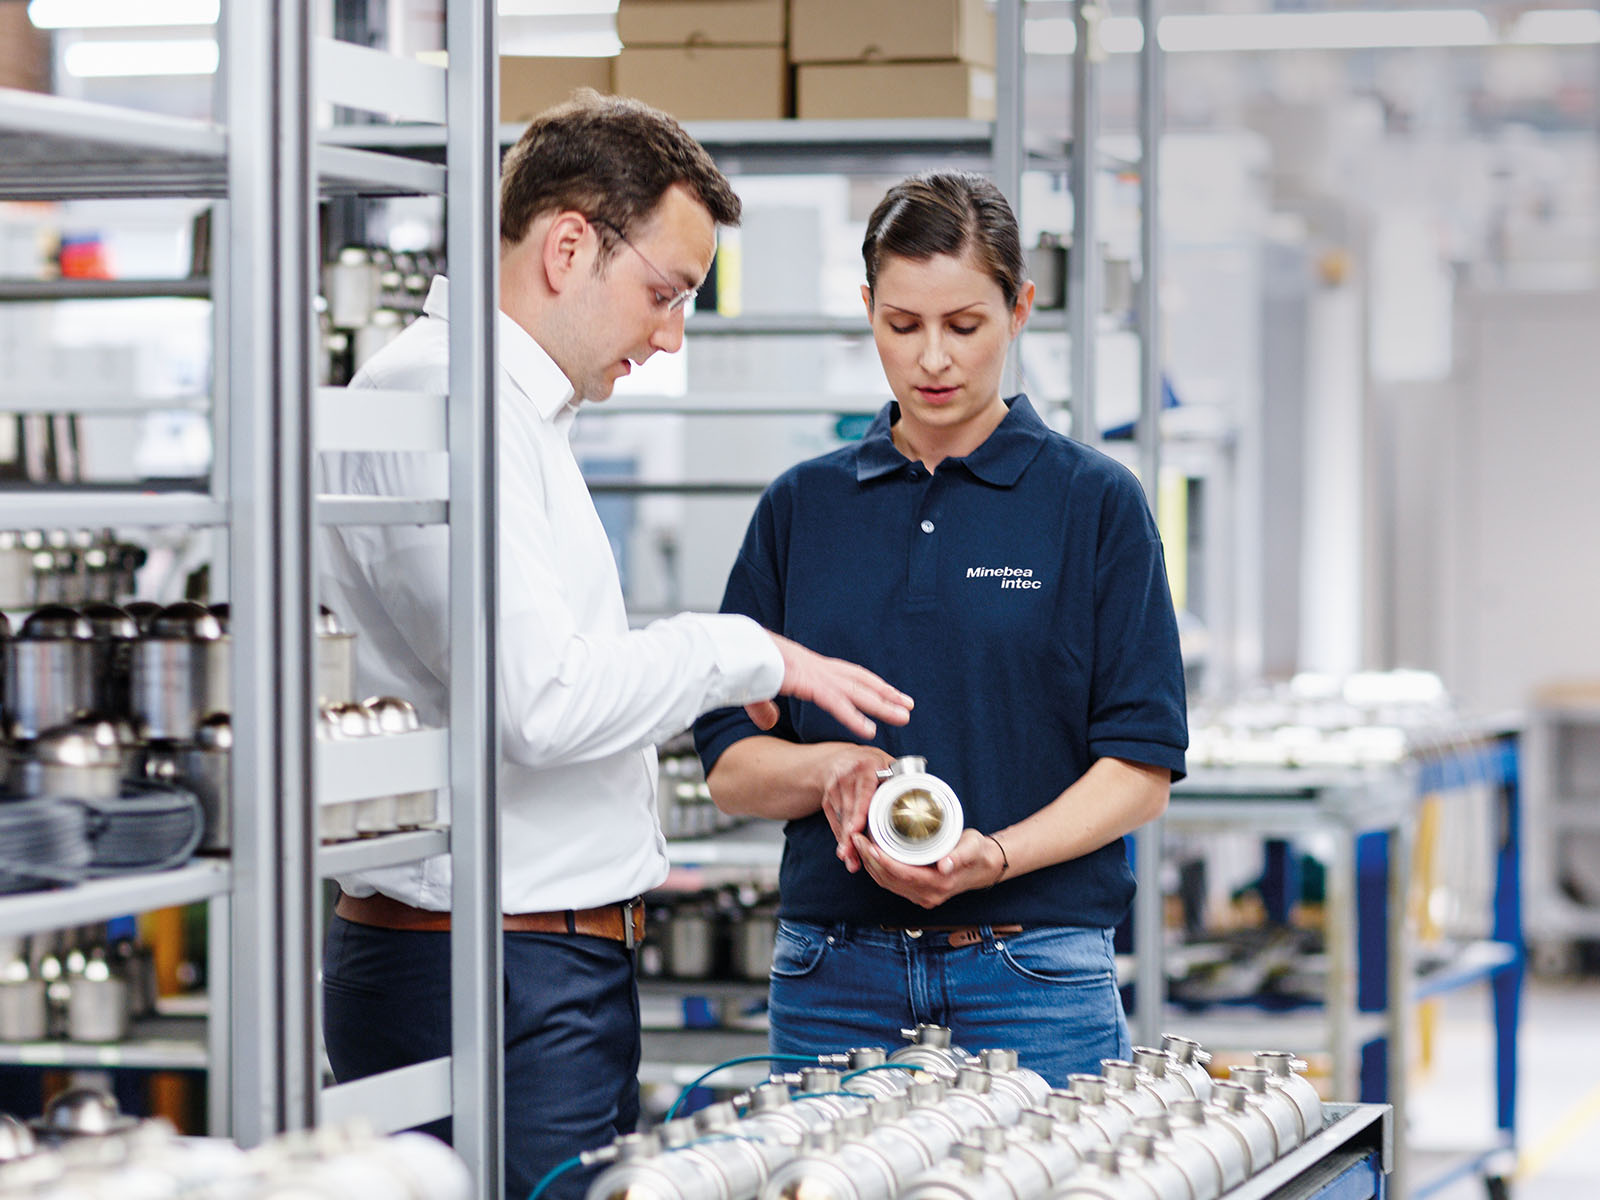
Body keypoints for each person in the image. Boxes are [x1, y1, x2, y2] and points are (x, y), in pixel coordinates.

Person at [316, 92, 912, 1200]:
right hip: (489, 965)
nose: (670, 334)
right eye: (665, 293)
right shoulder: (448, 402)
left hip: (524, 959)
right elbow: (539, 703)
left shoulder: (508, 409)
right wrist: (746, 653)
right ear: (568, 246)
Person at [692, 171, 1188, 1087]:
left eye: (964, 326)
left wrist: (992, 858)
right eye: (902, 324)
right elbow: (729, 764)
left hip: (1033, 975)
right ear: (868, 311)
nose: (932, 360)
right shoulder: (804, 509)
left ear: (1020, 309)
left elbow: (1140, 770)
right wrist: (828, 769)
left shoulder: (1093, 505)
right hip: (832, 976)